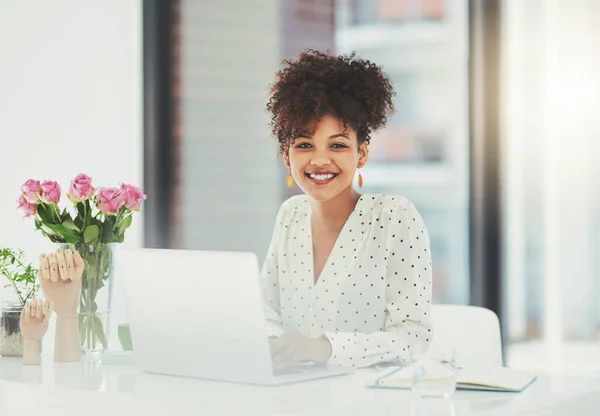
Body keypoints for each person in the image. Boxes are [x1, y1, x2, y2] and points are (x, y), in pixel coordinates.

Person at [262, 50, 433, 369]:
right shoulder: (290, 215)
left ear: (362, 153)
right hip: (297, 395)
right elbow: (265, 313)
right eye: (304, 145)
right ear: (287, 156)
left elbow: (414, 335)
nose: (320, 160)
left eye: (337, 145)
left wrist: (326, 348)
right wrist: (274, 345)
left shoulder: (394, 216)